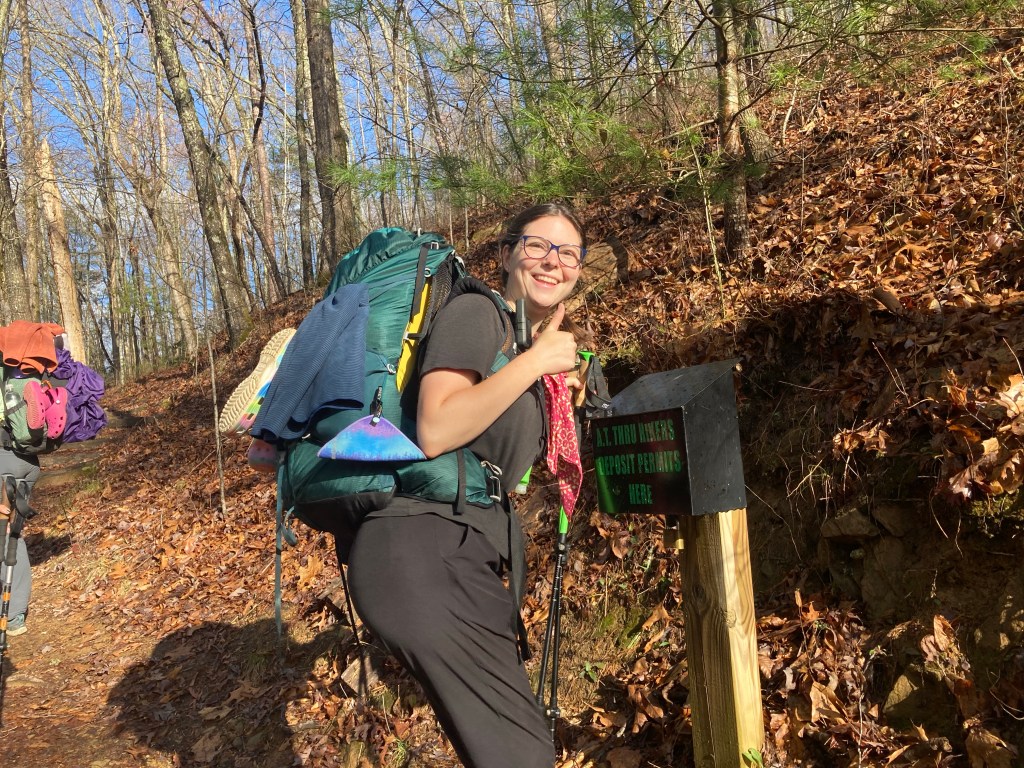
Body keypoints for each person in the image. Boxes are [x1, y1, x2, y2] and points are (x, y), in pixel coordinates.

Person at [344, 202, 589, 768]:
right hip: (422, 551)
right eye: (537, 245)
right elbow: (435, 429)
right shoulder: (477, 313)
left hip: (457, 555)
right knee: (522, 756)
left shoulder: (517, 346)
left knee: (512, 750)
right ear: (505, 254)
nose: (552, 261)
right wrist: (534, 366)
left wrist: (546, 378)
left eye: (568, 253)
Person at [0, 446, 37, 637]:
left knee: (4, 533)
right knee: (12, 534)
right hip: (26, 461)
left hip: (3, 461)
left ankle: (10, 614)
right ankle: (14, 617)